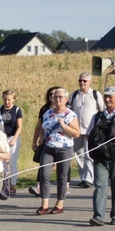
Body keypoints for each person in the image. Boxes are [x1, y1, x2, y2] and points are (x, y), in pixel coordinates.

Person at [88, 87, 115, 226]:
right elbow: (89, 134)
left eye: (110, 97)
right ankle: (98, 216)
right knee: (100, 185)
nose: (107, 99)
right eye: (106, 96)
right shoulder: (97, 116)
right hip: (100, 155)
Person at [36, 87, 80, 215]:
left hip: (64, 148)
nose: (58, 99)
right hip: (48, 147)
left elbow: (76, 133)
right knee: (44, 174)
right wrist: (40, 137)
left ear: (66, 99)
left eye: (61, 97)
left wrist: (64, 126)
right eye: (55, 97)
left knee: (62, 176)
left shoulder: (71, 114)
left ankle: (59, 204)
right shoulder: (47, 113)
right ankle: (44, 204)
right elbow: (42, 127)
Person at [68, 72, 104, 188]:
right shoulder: (74, 95)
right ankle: (84, 176)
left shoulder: (95, 94)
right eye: (80, 81)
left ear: (89, 82)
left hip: (90, 130)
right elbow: (69, 110)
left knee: (88, 154)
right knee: (78, 154)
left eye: (84, 81)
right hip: (76, 129)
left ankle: (89, 178)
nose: (82, 83)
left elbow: (101, 110)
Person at [29, 87, 59, 197]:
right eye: (51, 94)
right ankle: (39, 188)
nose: (53, 97)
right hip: (46, 142)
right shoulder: (44, 109)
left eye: (56, 95)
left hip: (61, 143)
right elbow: (39, 126)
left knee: (62, 166)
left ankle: (64, 187)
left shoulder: (67, 110)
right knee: (43, 164)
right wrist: (35, 141)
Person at [0, 90, 23, 194]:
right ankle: (3, 184)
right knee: (2, 162)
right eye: (5, 99)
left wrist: (14, 138)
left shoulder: (17, 110)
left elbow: (19, 126)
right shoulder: (0, 109)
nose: (7, 102)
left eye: (9, 100)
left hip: (12, 137)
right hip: (2, 137)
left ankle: (13, 185)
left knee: (12, 162)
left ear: (14, 99)